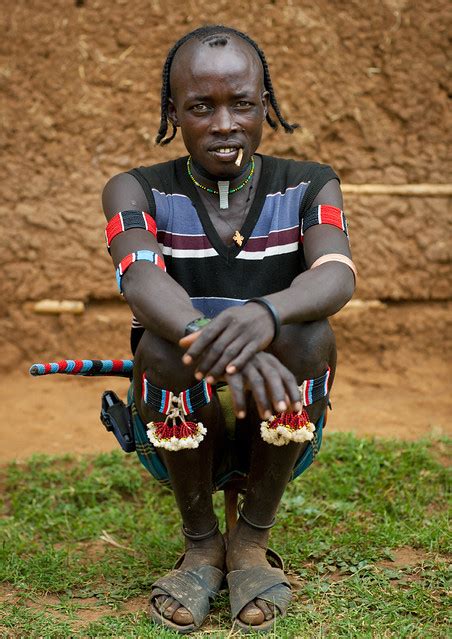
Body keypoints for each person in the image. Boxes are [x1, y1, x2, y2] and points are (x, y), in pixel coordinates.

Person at [102, 24, 356, 634]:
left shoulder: (308, 183)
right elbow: (140, 280)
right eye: (200, 106)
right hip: (179, 415)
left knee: (309, 335)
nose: (223, 123)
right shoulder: (135, 189)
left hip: (279, 417)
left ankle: (250, 540)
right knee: (162, 346)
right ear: (173, 112)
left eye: (241, 103)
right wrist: (225, 345)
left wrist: (265, 315)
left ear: (265, 104)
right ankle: (200, 544)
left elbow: (337, 274)